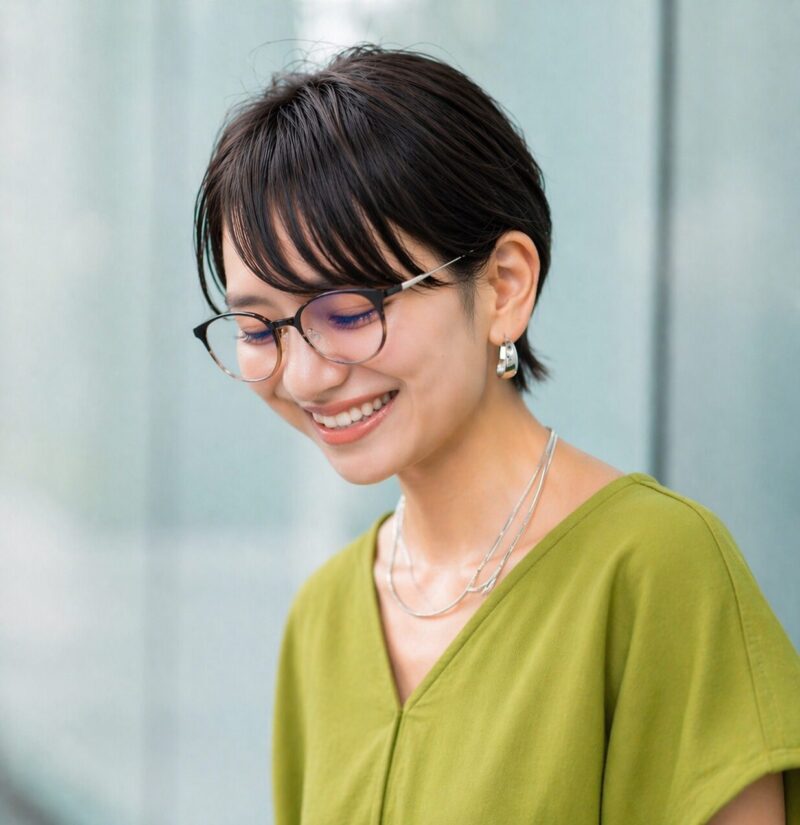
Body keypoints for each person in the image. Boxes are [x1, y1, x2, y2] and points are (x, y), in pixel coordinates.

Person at [191, 43, 800, 825]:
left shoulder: (656, 572)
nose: (306, 376)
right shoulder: (326, 617)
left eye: (349, 311)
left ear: (505, 286)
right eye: (257, 326)